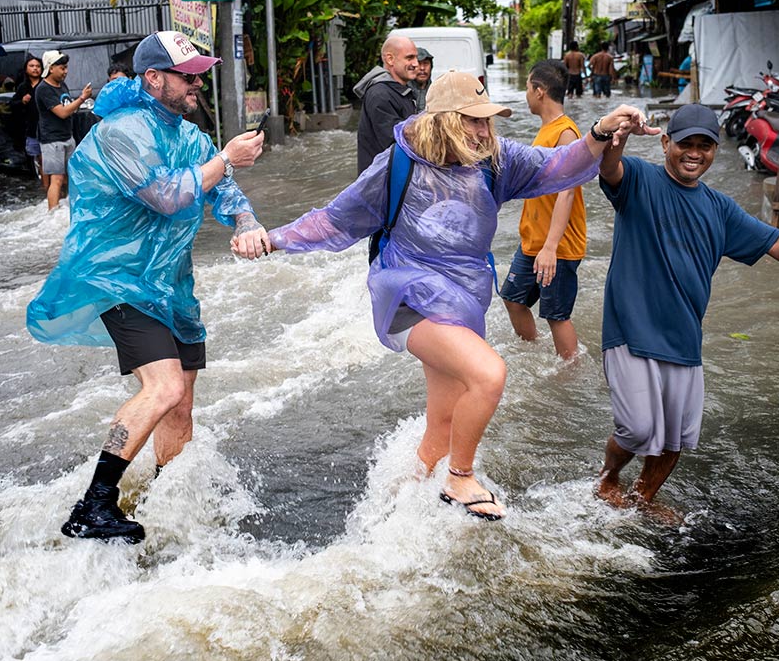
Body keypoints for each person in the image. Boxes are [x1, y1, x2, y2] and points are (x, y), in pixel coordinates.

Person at [267, 70, 639, 521]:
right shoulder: (396, 165)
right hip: (407, 299)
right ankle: (459, 477)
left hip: (461, 302)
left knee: (441, 428)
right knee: (488, 373)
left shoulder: (494, 161)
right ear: (443, 120)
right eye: (473, 121)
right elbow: (334, 220)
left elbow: (557, 165)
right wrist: (272, 239)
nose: (485, 131)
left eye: (488, 121)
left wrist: (601, 130)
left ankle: (393, 514)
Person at [26, 30, 270, 543]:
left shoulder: (189, 135)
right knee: (164, 387)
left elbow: (224, 192)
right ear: (154, 78)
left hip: (172, 285)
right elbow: (165, 195)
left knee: (181, 404)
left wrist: (246, 223)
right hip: (118, 280)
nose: (197, 84)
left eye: (201, 74)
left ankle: (167, 498)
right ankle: (92, 505)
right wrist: (225, 157)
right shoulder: (122, 132)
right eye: (188, 76)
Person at [593, 103, 779, 519]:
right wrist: (618, 135)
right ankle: (608, 479)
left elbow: (776, 241)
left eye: (705, 146)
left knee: (675, 440)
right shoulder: (639, 179)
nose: (695, 153)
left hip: (684, 339)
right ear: (666, 143)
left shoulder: (719, 208)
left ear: (714, 151)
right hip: (631, 330)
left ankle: (641, 500)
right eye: (687, 143)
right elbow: (608, 168)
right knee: (637, 429)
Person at [500, 59, 586, 360]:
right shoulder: (546, 130)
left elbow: (566, 194)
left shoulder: (566, 134)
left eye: (527, 87)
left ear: (539, 91)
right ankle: (534, 355)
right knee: (512, 298)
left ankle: (570, 372)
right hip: (533, 242)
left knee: (556, 314)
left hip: (557, 246)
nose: (525, 94)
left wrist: (550, 247)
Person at [353, 34, 417, 175]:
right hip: (382, 183)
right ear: (390, 59)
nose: (416, 64)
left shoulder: (401, 91)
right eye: (409, 58)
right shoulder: (380, 94)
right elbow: (397, 142)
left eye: (415, 57)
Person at [35, 50, 92, 210]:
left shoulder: (62, 85)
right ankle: (52, 213)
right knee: (57, 178)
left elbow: (68, 106)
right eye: (62, 68)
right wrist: (82, 98)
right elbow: (62, 112)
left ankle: (69, 207)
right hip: (52, 140)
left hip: (67, 136)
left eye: (66, 68)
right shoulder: (44, 89)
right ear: (51, 68)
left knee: (73, 175)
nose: (65, 71)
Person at [10, 55, 45, 186]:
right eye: (32, 66)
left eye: (38, 66)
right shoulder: (22, 87)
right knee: (34, 156)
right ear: (26, 69)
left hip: (45, 127)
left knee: (45, 159)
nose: (35, 69)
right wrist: (22, 101)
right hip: (30, 127)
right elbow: (12, 104)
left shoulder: (45, 84)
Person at [410, 46, 433, 111]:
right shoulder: (404, 92)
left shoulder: (436, 92)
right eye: (419, 63)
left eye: (426, 64)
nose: (422, 68)